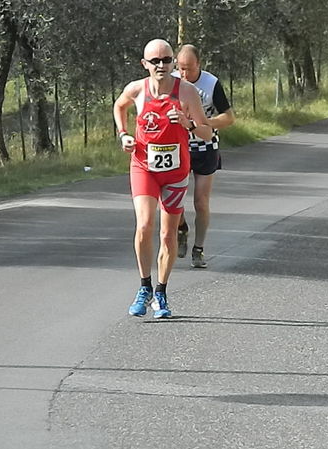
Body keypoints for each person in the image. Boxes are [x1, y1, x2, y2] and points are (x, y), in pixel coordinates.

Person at [113, 39, 212, 318]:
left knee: (168, 233)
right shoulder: (137, 90)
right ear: (144, 64)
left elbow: (207, 132)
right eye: (155, 61)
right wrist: (124, 135)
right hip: (144, 167)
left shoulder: (187, 92)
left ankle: (161, 292)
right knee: (144, 225)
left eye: (166, 60)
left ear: (173, 63)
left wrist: (187, 123)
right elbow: (119, 107)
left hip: (176, 172)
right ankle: (144, 286)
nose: (161, 66)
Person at [173, 44, 235, 268]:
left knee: (201, 200)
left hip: (205, 147)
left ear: (199, 64)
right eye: (180, 68)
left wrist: (205, 123)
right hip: (178, 148)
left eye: (188, 68)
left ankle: (198, 249)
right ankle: (181, 228)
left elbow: (229, 117)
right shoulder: (171, 82)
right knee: (173, 199)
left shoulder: (211, 83)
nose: (184, 74)